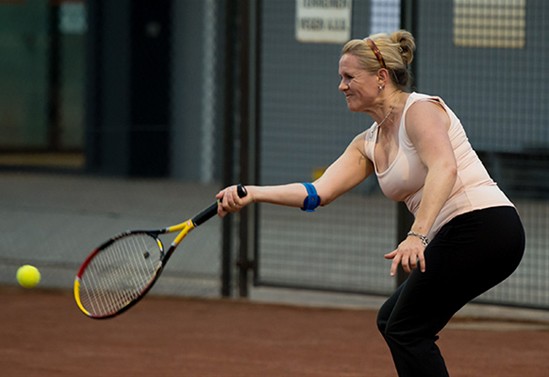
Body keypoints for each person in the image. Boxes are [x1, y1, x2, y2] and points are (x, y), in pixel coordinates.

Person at [216, 30, 525, 377]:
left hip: (485, 225)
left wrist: (417, 235)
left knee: (405, 328)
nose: (341, 86)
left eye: (349, 77)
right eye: (340, 78)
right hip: (467, 233)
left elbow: (445, 166)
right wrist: (254, 193)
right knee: (392, 320)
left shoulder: (420, 109)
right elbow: (317, 193)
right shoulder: (368, 143)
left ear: (380, 77)